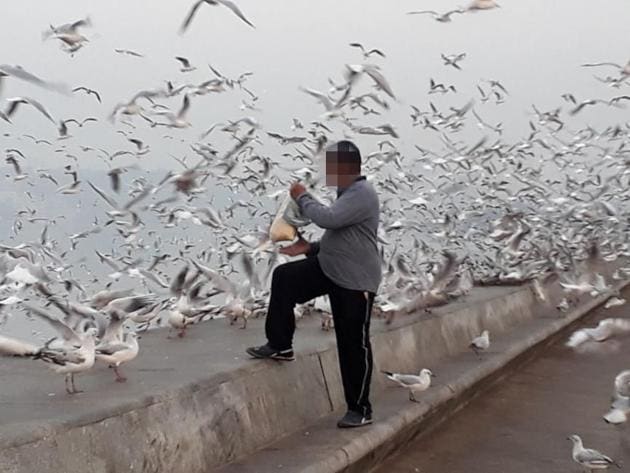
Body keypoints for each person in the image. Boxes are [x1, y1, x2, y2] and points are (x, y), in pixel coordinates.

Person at [247, 140, 381, 428]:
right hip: (331, 267)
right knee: (285, 278)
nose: (327, 171)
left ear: (345, 167)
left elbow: (329, 219)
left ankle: (361, 409)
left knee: (353, 343)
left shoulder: (362, 193)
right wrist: (310, 249)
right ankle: (281, 345)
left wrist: (302, 196)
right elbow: (346, 237)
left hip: (355, 281)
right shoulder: (347, 193)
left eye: (331, 165)